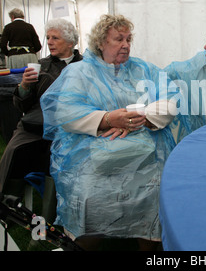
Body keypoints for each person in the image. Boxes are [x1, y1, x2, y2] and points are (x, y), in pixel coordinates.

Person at [40, 14, 177, 251]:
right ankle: (85, 242)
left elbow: (172, 99)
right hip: (92, 151)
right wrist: (107, 119)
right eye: (118, 39)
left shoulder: (144, 69)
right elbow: (65, 112)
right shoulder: (79, 73)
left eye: (128, 39)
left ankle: (150, 243)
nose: (125, 45)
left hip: (144, 150)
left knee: (155, 189)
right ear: (101, 42)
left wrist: (141, 118)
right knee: (90, 194)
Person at [0, 19, 82, 196]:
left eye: (55, 38)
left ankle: (55, 203)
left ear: (70, 42)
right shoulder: (42, 65)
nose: (49, 42)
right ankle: (7, 201)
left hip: (72, 125)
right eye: (48, 37)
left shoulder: (85, 66)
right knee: (15, 151)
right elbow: (22, 106)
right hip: (37, 124)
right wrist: (24, 87)